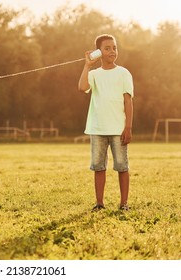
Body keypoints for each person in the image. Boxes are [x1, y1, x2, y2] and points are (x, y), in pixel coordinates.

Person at [78, 34, 134, 211]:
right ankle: (99, 203)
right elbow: (82, 87)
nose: (112, 51)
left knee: (122, 167)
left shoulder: (123, 73)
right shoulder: (94, 74)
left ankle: (123, 204)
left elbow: (128, 101)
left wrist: (128, 127)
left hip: (118, 129)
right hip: (98, 128)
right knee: (99, 167)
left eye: (114, 47)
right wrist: (87, 65)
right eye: (107, 48)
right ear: (98, 52)